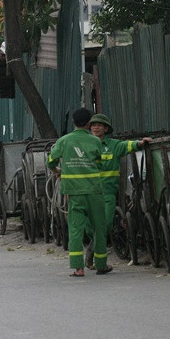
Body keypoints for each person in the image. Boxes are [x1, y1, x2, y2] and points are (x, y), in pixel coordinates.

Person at [46, 107, 111, 277]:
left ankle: (78, 268)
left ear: (73, 122)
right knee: (99, 227)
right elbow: (99, 163)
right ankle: (101, 264)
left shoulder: (64, 141)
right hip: (94, 190)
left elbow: (51, 161)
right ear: (89, 123)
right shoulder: (96, 141)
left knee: (75, 229)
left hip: (73, 191)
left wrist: (57, 170)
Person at [87, 113, 151, 267]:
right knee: (89, 227)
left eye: (99, 125)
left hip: (107, 193)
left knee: (106, 225)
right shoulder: (85, 145)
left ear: (106, 129)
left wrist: (141, 143)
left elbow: (128, 146)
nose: (96, 127)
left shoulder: (114, 145)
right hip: (88, 192)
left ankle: (92, 254)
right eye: (93, 125)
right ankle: (92, 247)